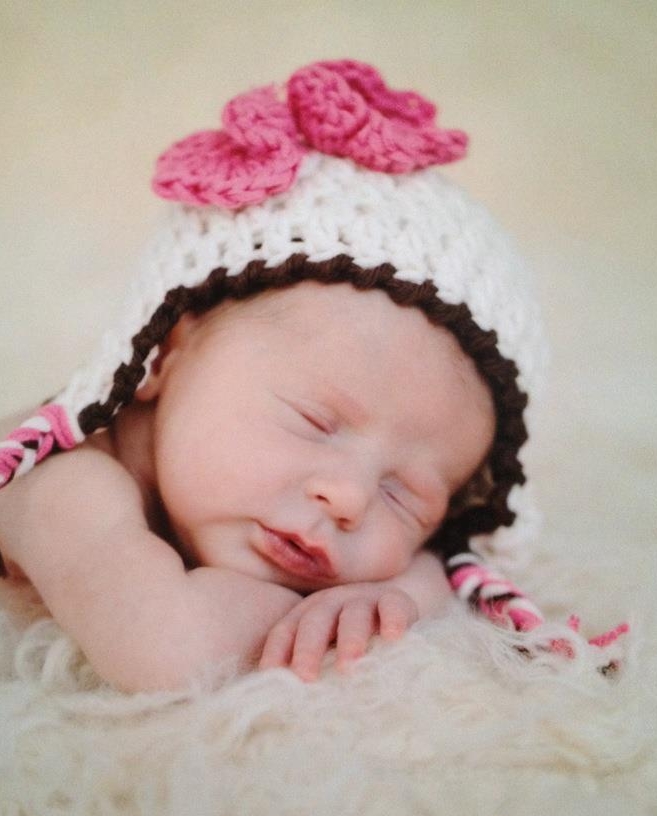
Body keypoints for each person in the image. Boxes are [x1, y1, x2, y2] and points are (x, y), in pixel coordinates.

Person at [0, 60, 625, 693]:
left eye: (406, 497)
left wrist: (393, 600)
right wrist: (309, 619)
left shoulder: (255, 497)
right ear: (161, 354)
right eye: (315, 423)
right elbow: (167, 650)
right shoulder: (63, 486)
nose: (350, 498)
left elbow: (443, 565)